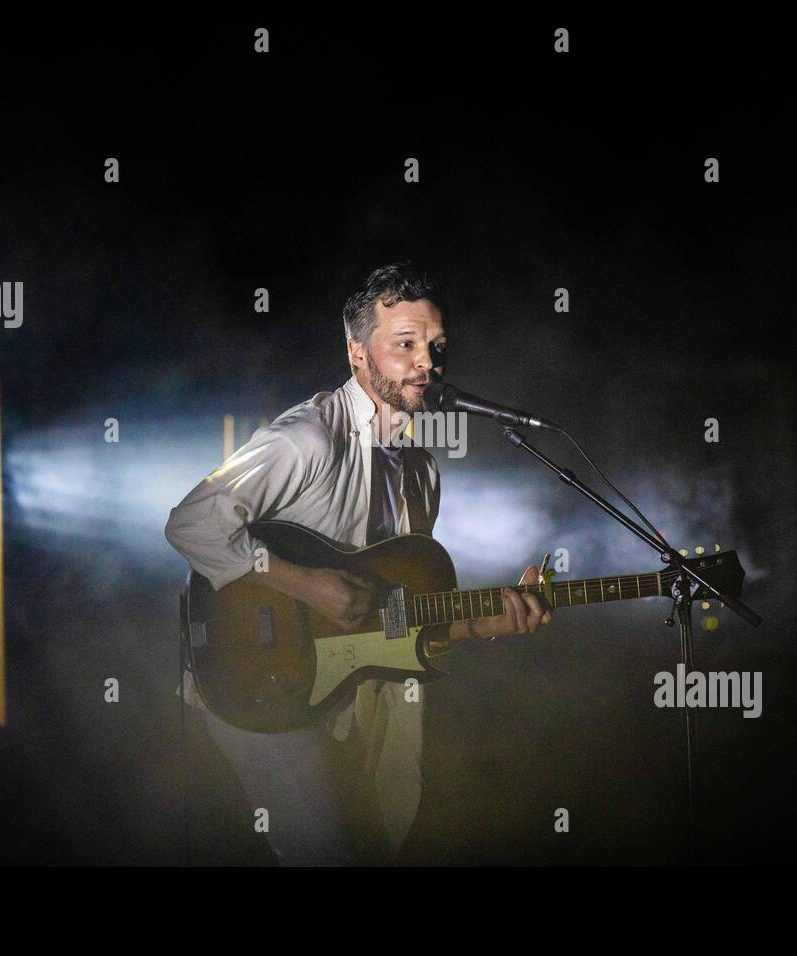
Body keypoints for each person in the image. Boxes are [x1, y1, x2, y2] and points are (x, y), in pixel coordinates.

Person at [164, 261, 551, 865]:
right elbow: (191, 523)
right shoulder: (308, 438)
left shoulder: (421, 469)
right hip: (258, 677)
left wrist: (486, 622)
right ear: (356, 353)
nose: (428, 362)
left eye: (436, 346)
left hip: (353, 689)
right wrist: (302, 583)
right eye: (405, 345)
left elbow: (399, 618)